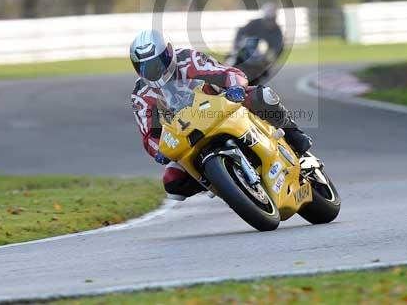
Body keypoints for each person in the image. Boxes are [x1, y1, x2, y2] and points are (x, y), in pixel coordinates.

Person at [129, 29, 312, 200]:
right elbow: (149, 135)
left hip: (219, 107)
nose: (153, 71)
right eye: (145, 67)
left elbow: (228, 73)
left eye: (157, 63)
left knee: (262, 95)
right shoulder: (140, 94)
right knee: (172, 182)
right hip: (186, 134)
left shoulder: (187, 59)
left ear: (169, 53)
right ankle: (223, 183)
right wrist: (159, 151)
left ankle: (295, 134)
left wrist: (236, 88)